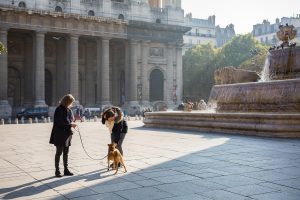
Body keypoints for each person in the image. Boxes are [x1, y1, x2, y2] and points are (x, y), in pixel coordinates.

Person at [49, 94, 77, 178]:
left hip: (67, 134)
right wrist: (70, 125)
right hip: (60, 134)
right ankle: (57, 171)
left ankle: (66, 169)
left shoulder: (68, 110)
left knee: (66, 153)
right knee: (59, 153)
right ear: (67, 101)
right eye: (70, 102)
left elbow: (69, 120)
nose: (71, 104)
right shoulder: (59, 109)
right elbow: (59, 123)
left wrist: (71, 123)